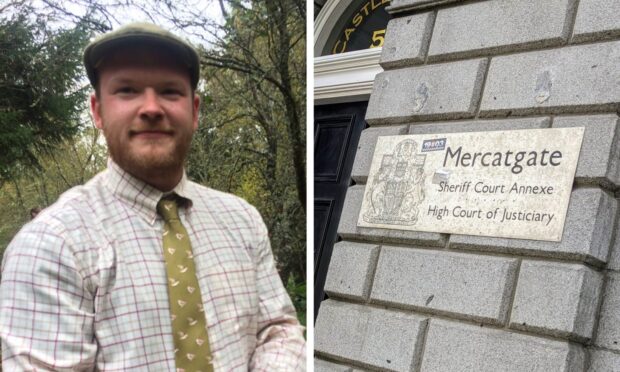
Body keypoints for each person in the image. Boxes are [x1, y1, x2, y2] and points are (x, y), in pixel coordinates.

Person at [0, 23, 306, 371]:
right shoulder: (52, 245)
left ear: (194, 110)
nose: (151, 107)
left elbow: (277, 329)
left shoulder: (243, 220)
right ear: (97, 111)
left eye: (170, 92)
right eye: (127, 90)